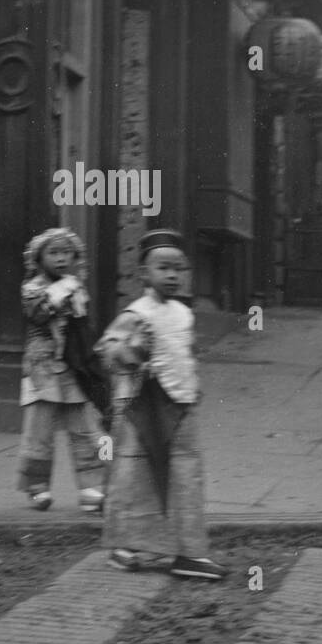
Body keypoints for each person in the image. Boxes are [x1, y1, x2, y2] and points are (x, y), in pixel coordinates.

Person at [94, 229, 227, 580]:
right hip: (146, 407)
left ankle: (189, 552)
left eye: (178, 269)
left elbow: (184, 353)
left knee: (186, 475)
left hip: (181, 405)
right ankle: (129, 543)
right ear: (143, 274)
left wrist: (192, 382)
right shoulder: (136, 313)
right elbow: (108, 351)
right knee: (138, 475)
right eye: (163, 268)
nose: (172, 275)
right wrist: (132, 353)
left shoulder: (183, 313)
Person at [17, 226, 108, 513]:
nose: (60, 259)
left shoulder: (76, 285)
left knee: (83, 428)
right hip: (42, 366)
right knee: (39, 431)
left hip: (73, 366)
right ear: (39, 258)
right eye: (53, 253)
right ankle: (37, 487)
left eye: (66, 253)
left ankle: (90, 486)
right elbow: (39, 314)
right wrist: (61, 294)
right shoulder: (32, 289)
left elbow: (82, 322)